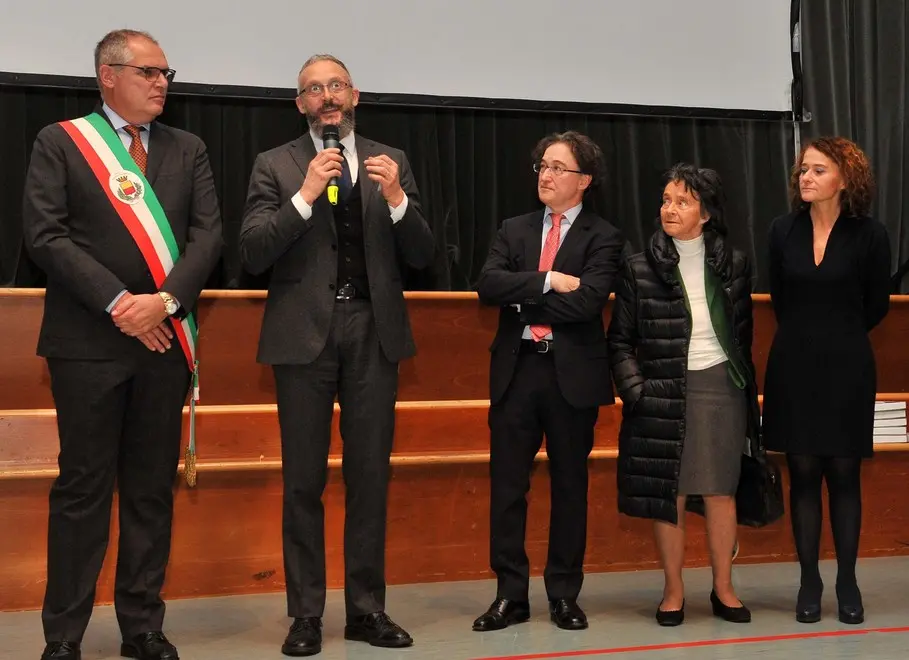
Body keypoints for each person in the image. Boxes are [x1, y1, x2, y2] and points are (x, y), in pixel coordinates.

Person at [21, 29, 222, 660]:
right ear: (108, 75)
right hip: (86, 344)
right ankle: (63, 635)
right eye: (149, 72)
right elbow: (45, 237)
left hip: (163, 341)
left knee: (149, 488)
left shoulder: (188, 149)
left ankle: (142, 626)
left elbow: (207, 239)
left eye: (167, 73)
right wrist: (119, 304)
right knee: (83, 489)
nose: (163, 82)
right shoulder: (61, 141)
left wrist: (161, 303)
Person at [239, 54, 434, 656]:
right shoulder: (275, 165)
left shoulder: (390, 160)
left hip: (374, 332)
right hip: (304, 338)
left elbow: (424, 255)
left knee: (370, 476)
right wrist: (301, 197)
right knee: (303, 481)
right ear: (299, 104)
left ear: (356, 95)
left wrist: (398, 199)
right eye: (313, 89)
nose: (327, 96)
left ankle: (366, 611)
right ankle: (305, 616)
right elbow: (251, 253)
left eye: (336, 85)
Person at [473, 131, 625, 632]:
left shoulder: (603, 236)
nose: (546, 173)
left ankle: (563, 594)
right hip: (517, 372)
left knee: (569, 488)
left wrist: (524, 297)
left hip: (571, 376)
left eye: (559, 167)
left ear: (584, 181)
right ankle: (509, 595)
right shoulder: (514, 229)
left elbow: (587, 304)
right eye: (543, 164)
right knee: (508, 488)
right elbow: (488, 286)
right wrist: (547, 280)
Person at [607, 164, 759, 626]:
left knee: (719, 492)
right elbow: (619, 342)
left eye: (682, 201)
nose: (669, 209)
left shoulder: (734, 263)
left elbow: (743, 335)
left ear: (706, 213)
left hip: (719, 388)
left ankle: (724, 589)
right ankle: (673, 591)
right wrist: (637, 393)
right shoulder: (638, 267)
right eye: (666, 199)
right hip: (663, 389)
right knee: (667, 494)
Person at [762, 137, 890, 625]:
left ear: (844, 178)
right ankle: (810, 581)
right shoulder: (781, 230)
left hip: (847, 366)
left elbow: (876, 304)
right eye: (803, 171)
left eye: (817, 170)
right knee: (804, 473)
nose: (806, 178)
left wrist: (838, 334)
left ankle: (848, 580)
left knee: (843, 473)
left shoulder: (870, 235)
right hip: (793, 364)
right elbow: (779, 298)